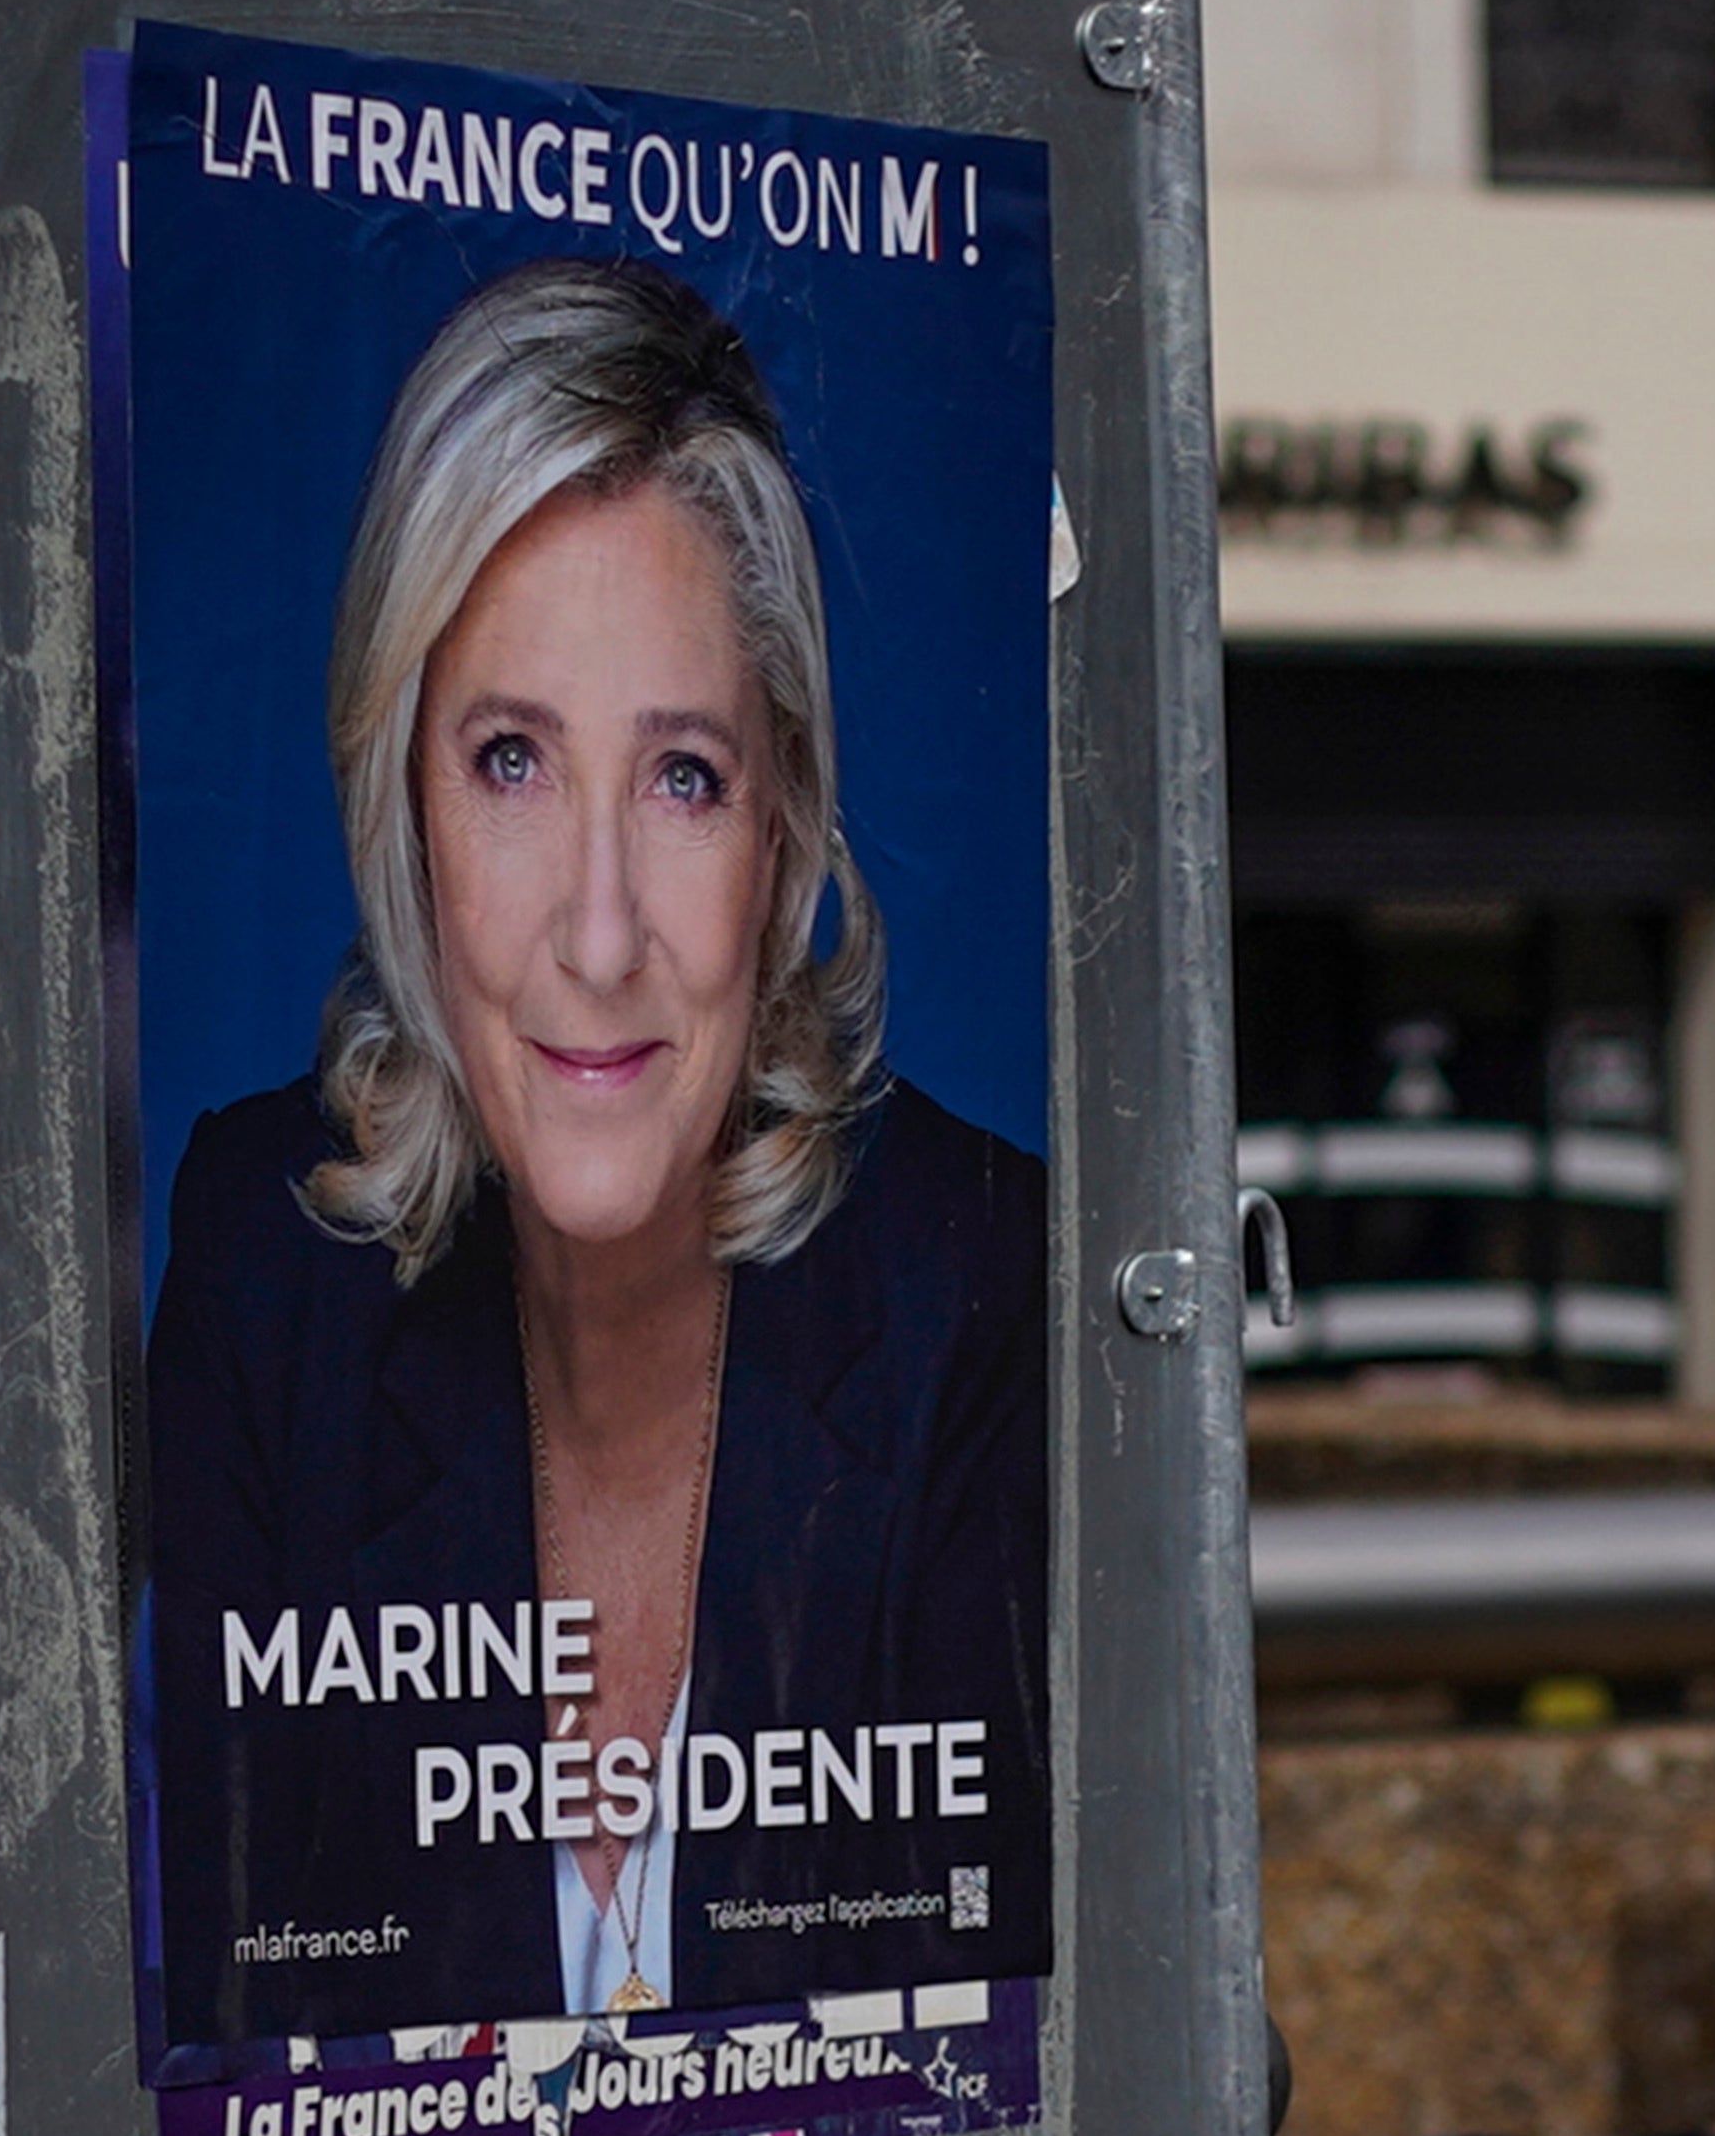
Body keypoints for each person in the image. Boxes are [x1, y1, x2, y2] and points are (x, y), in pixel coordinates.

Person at [136, 255, 1044, 2044]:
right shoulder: (266, 1274)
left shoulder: (981, 1283)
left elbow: (1035, 2129)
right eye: (511, 763)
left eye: (683, 777)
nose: (603, 932)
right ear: (400, 800)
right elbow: (202, 2085)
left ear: (783, 828)